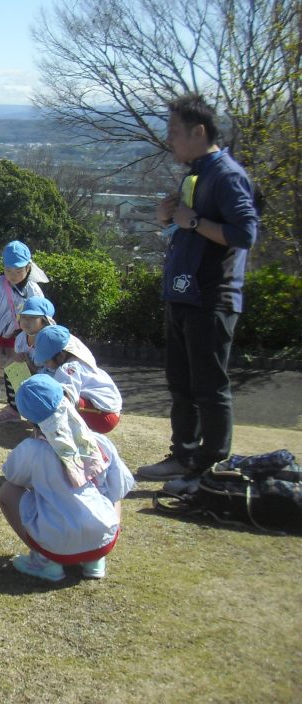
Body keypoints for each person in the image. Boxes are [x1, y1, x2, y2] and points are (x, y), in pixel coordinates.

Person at [138, 93, 260, 494]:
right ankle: (183, 456)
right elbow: (187, 228)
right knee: (181, 382)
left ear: (199, 132)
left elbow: (244, 233)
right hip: (182, 294)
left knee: (209, 386)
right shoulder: (194, 173)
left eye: (174, 132)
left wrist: (194, 221)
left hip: (212, 296)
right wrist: (168, 219)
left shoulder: (226, 174)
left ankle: (209, 468)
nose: (169, 139)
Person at [0, 375, 134, 582]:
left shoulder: (32, 450)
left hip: (56, 544)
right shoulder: (99, 441)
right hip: (104, 539)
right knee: (112, 489)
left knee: (7, 491)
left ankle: (44, 560)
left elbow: (12, 476)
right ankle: (95, 560)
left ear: (28, 417)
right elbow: (120, 487)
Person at [0, 240, 47, 409]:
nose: (12, 275)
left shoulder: (33, 289)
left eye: (18, 271)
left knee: (16, 360)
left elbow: (41, 312)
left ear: (28, 268)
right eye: (8, 270)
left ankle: (17, 398)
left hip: (19, 332)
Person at [32, 325, 122, 434]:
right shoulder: (78, 356)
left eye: (46, 361)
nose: (45, 365)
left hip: (103, 417)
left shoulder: (68, 368)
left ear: (60, 356)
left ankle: (72, 433)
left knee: (57, 397)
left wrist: (41, 423)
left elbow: (63, 398)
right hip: (108, 411)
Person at [0, 296, 56, 425]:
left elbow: (53, 373)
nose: (26, 321)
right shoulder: (21, 338)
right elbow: (9, 366)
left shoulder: (50, 341)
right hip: (33, 377)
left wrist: (30, 365)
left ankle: (43, 417)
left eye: (32, 318)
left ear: (45, 321)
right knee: (13, 368)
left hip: (52, 383)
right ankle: (14, 410)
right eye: (24, 317)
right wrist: (15, 358)